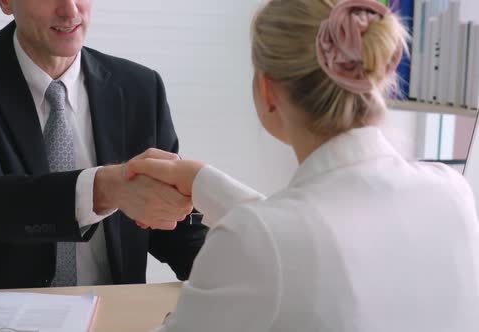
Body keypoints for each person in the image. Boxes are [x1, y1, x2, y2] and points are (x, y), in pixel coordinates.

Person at [127, 0, 479, 330]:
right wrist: (202, 181)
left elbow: (281, 241)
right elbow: (308, 235)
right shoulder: (453, 192)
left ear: (267, 91)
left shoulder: (260, 240)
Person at [0, 0, 207, 291]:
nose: (69, 10)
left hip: (110, 313)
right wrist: (104, 187)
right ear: (5, 2)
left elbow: (174, 228)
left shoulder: (139, 86)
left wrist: (234, 270)